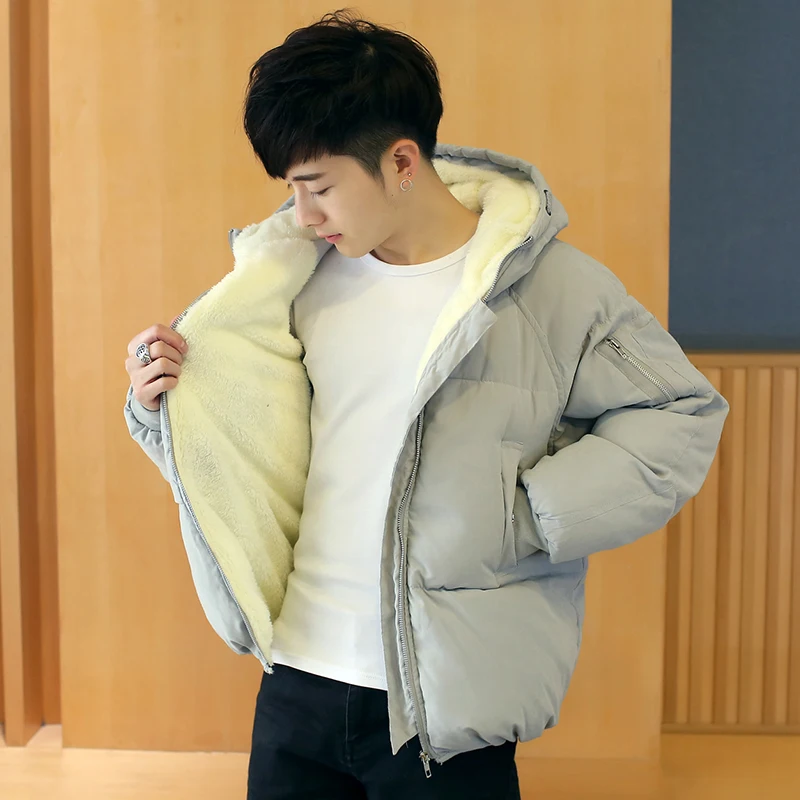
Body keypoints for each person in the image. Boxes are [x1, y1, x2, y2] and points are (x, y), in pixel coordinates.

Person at [123, 9, 728, 800]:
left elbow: (682, 415)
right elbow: (247, 449)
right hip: (296, 680)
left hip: (444, 706)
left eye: (319, 187)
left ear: (402, 161)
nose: (303, 215)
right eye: (292, 191)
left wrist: (528, 513)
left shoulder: (551, 290)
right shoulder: (292, 282)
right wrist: (162, 404)